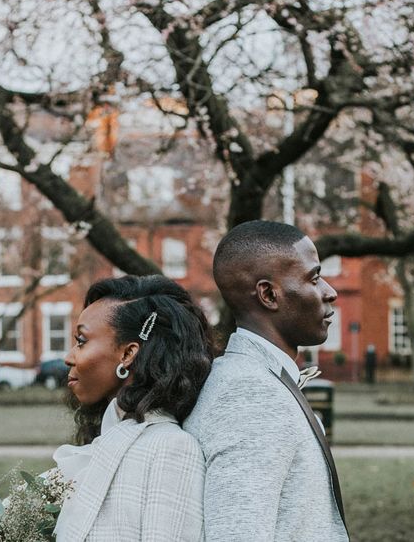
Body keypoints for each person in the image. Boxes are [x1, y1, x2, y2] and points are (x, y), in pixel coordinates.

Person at [185, 220, 349, 541]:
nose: (330, 292)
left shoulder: (256, 378)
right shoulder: (251, 395)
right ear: (269, 294)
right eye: (314, 278)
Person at [53, 274, 212, 541]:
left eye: (81, 341)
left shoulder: (171, 448)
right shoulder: (105, 441)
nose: (69, 357)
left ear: (128, 354)